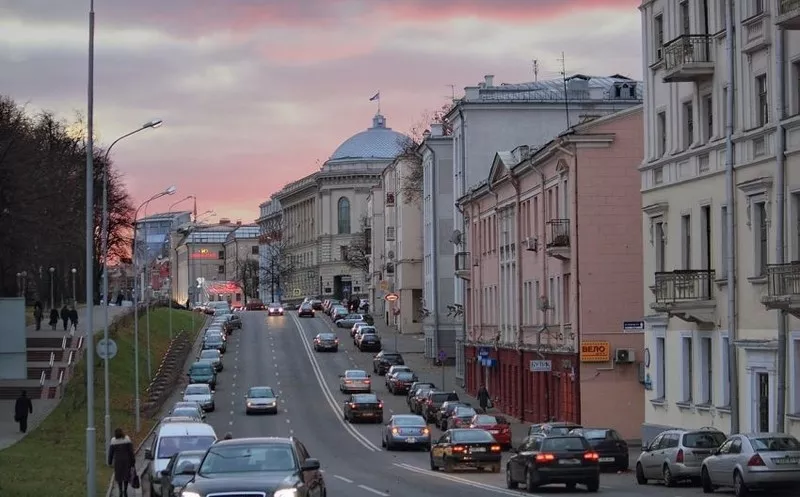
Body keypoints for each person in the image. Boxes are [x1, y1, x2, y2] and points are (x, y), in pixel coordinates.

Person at [108, 428, 135, 497]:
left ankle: (120, 491)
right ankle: (125, 490)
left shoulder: (113, 440)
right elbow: (131, 452)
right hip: (127, 460)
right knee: (126, 475)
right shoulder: (127, 439)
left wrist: (109, 462)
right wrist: (133, 461)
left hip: (118, 461)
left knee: (119, 476)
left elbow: (111, 453)